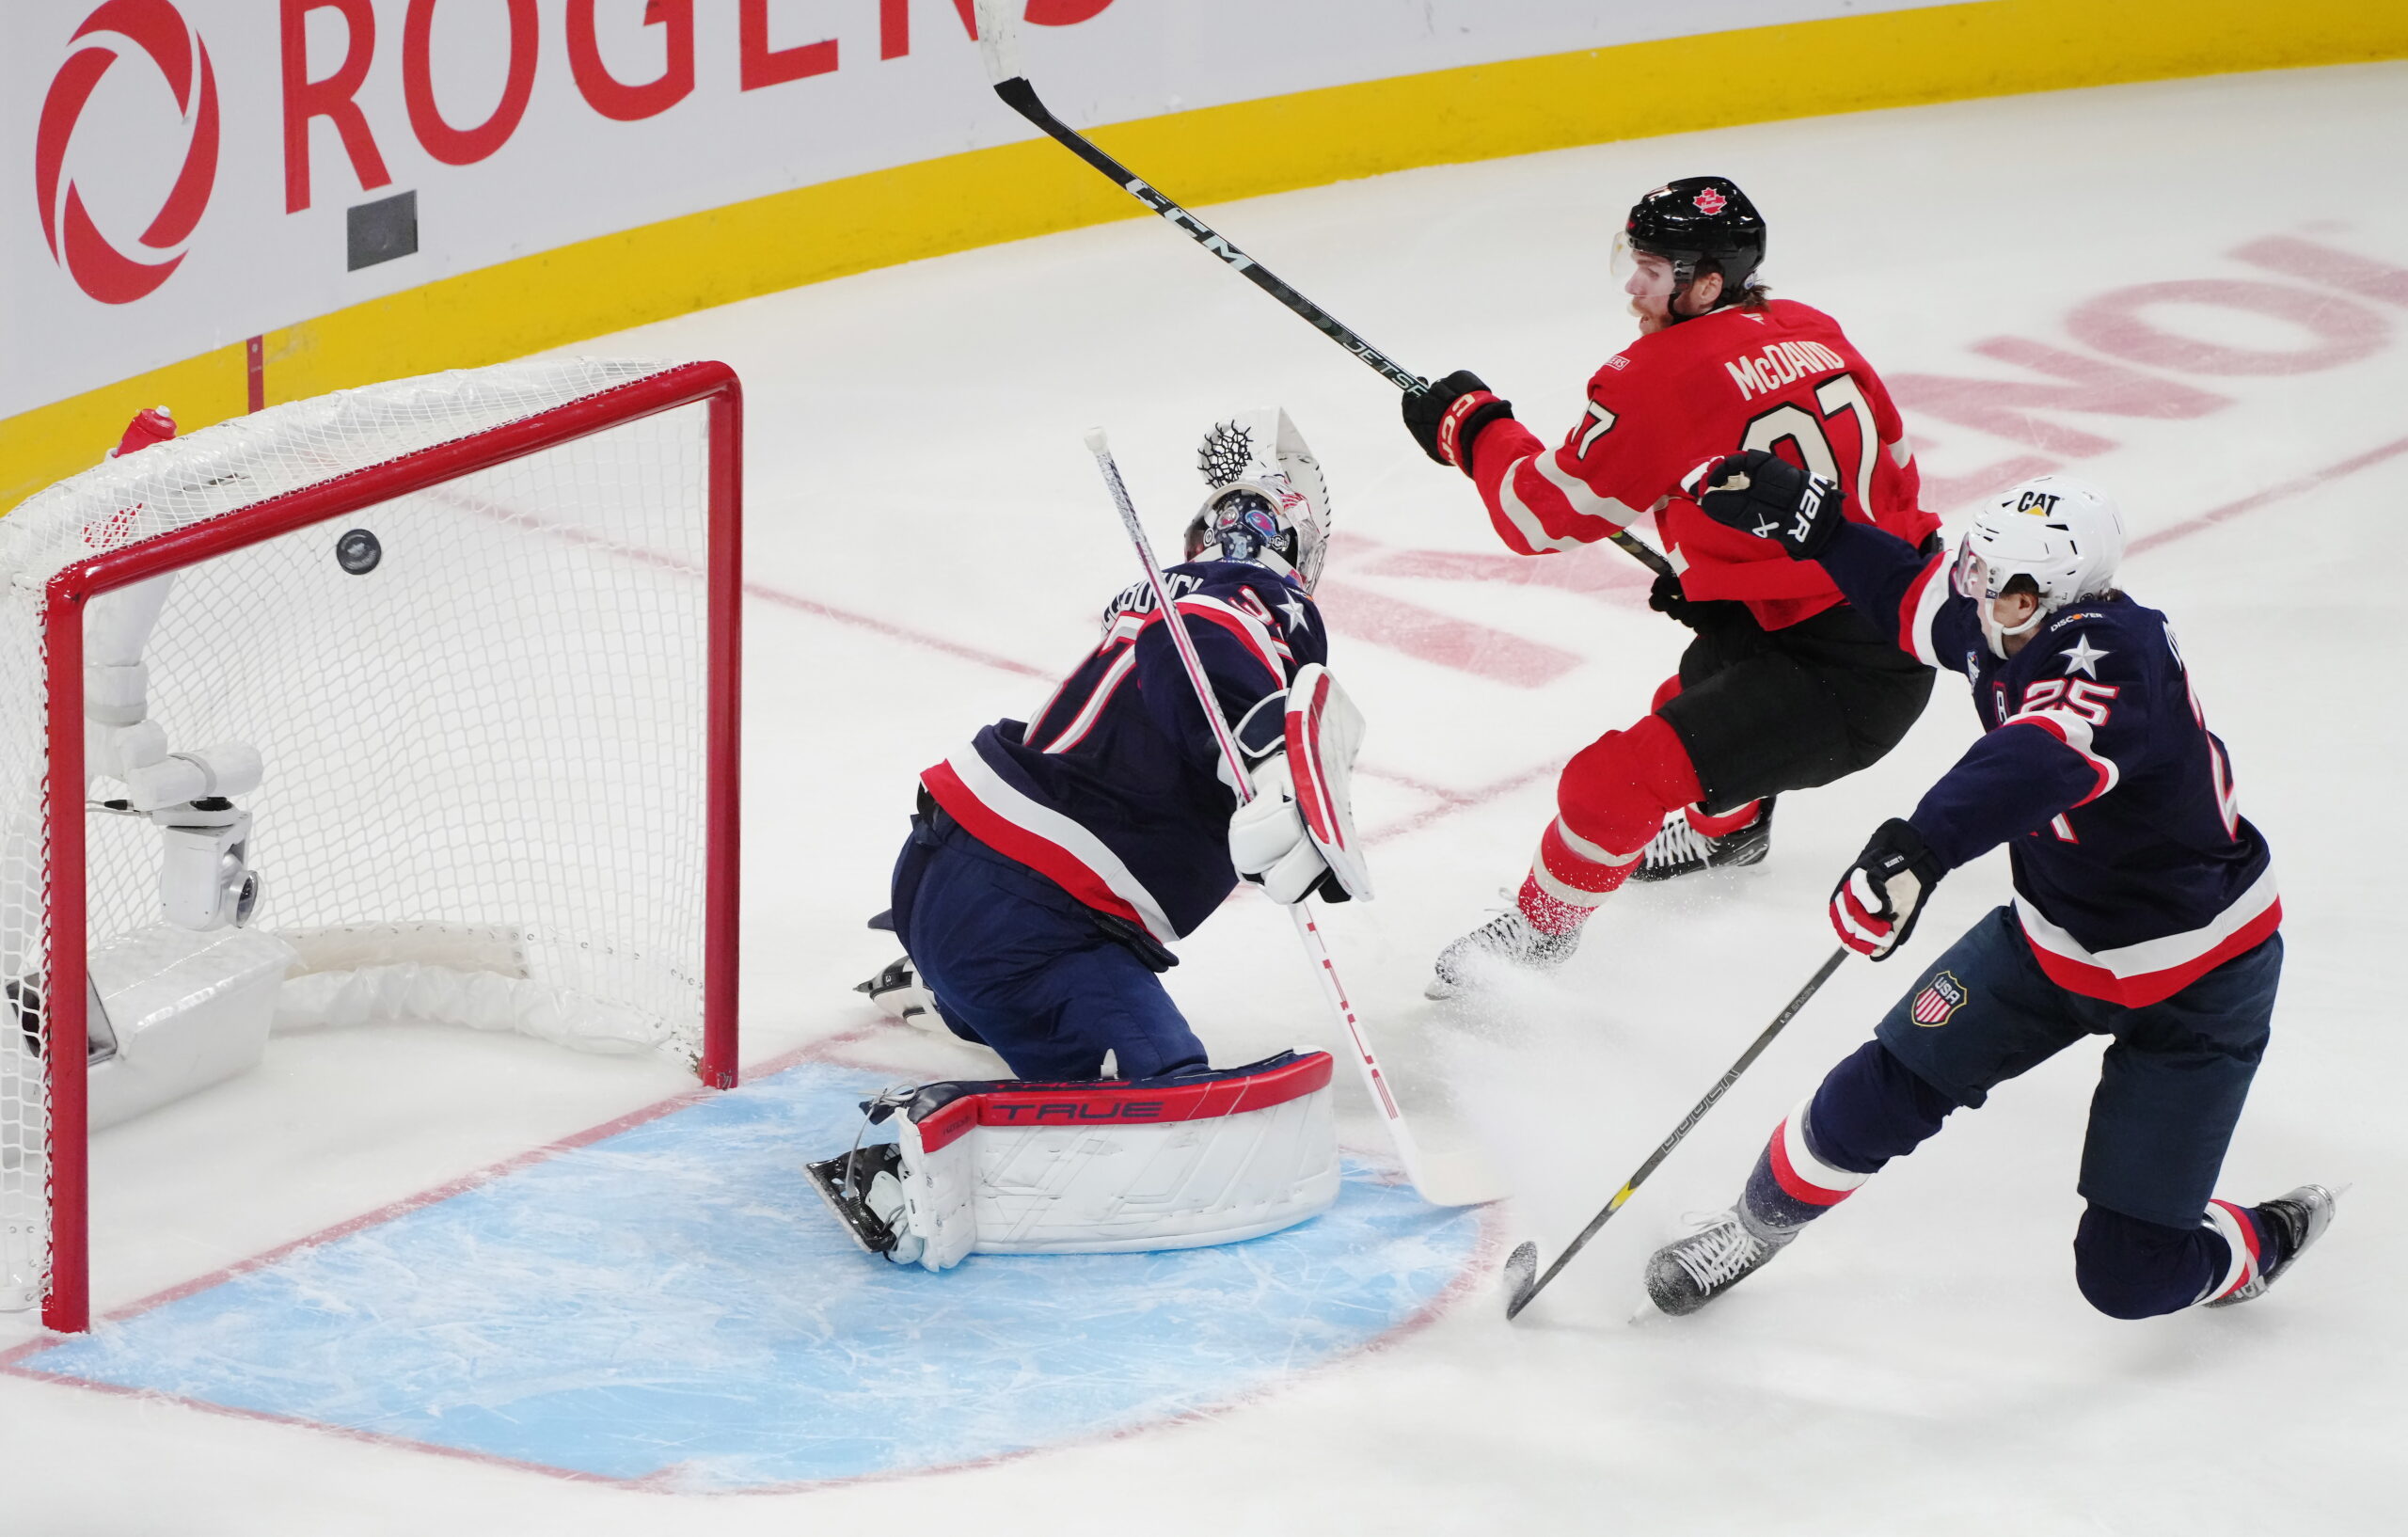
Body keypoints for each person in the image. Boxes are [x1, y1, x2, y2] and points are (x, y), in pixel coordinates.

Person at [1641, 453, 2333, 1320]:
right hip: (2050, 944)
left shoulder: (2119, 656)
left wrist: (1921, 847)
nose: (1971, 595)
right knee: (1882, 1083)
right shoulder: (2004, 620)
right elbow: (1911, 601)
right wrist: (1817, 524)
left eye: (1991, 583)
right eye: (1977, 571)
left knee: (2130, 1277)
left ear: (2047, 595)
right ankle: (1752, 1228)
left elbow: (2036, 758)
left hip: (2195, 980)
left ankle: (2257, 1243)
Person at [1401, 176, 1941, 995]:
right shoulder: (1811, 330)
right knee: (1689, 694)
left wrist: (1472, 429)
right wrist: (1735, 574)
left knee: (1611, 782)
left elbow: (1539, 516)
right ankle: (1730, 830)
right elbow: (1893, 475)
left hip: (1841, 679)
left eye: (1651, 270)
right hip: (1881, 610)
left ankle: (1541, 938)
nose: (1632, 287)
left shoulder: (1657, 375)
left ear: (1706, 284)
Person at [857, 408, 1361, 1081]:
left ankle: (950, 990)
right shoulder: (1246, 595)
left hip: (960, 877)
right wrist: (1264, 758)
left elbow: (1176, 637)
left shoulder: (1163, 608)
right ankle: (913, 1164)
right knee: (1157, 1081)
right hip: (1033, 911)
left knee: (1028, 1000)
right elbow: (1194, 643)